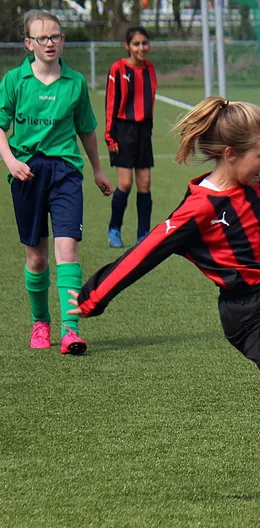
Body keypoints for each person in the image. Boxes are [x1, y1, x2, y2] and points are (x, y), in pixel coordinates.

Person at [67, 97, 260, 526]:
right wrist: (93, 296)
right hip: (248, 314)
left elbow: (251, 195)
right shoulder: (199, 208)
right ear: (231, 154)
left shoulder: (244, 184)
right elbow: (147, 251)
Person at [0, 10, 113, 355]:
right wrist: (11, 160)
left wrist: (96, 170)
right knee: (36, 258)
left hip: (65, 172)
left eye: (56, 36)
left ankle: (70, 329)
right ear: (28, 43)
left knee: (68, 250)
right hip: (27, 173)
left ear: (63, 40)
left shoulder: (75, 82)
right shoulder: (14, 81)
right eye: (42, 37)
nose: (50, 43)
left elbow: (86, 130)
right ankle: (40, 322)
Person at [105, 26, 157, 248]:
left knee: (144, 183)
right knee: (125, 184)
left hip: (143, 130)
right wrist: (110, 136)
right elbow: (110, 102)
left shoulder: (150, 69)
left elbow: (150, 102)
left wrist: (148, 130)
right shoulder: (118, 69)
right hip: (123, 130)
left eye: (144, 43)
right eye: (136, 44)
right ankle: (114, 230)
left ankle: (143, 235)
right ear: (128, 46)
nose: (141, 48)